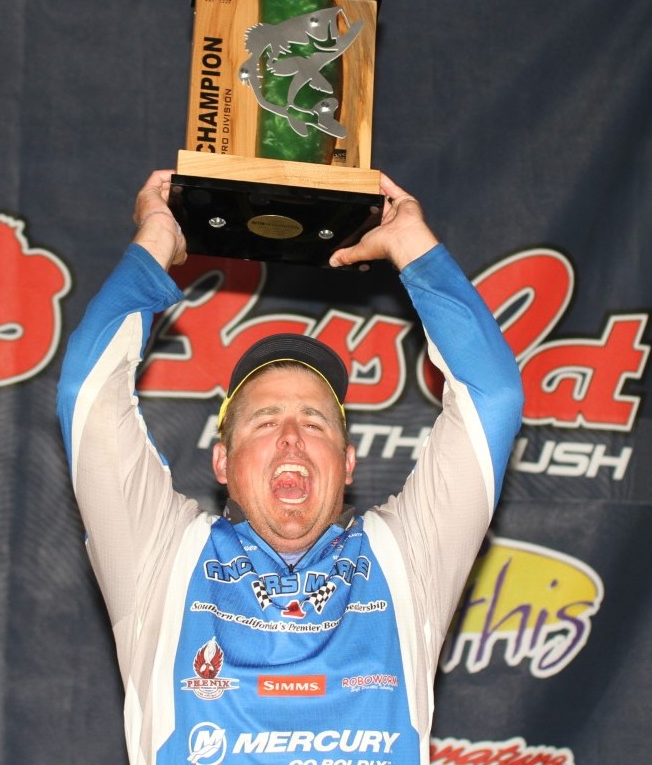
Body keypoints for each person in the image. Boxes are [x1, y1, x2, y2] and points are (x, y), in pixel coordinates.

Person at [56, 169, 524, 764]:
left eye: (315, 421)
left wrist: (413, 246)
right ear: (222, 461)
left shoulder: (406, 559)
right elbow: (89, 397)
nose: (291, 438)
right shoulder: (161, 557)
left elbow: (492, 397)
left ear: (347, 462)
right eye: (264, 421)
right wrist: (156, 238)